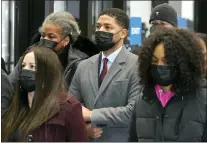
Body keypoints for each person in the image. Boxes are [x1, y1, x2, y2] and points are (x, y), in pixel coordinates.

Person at [69, 8, 140, 142]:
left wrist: (92, 115)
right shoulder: (83, 65)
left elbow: (133, 111)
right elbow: (71, 105)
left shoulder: (137, 65)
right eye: (98, 26)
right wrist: (84, 127)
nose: (101, 31)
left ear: (123, 33)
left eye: (108, 27)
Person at [128, 28, 207, 142]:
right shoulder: (142, 100)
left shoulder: (202, 99)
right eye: (155, 61)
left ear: (183, 63)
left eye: (167, 61)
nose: (160, 66)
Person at [2, 45, 88, 142]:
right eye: (23, 66)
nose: (25, 70)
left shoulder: (68, 108)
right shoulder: (16, 105)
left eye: (32, 66)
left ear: (47, 72)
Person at [9, 11, 100, 90]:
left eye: (51, 36)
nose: (45, 39)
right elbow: (10, 86)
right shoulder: (29, 56)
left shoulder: (78, 64)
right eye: (43, 35)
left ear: (65, 41)